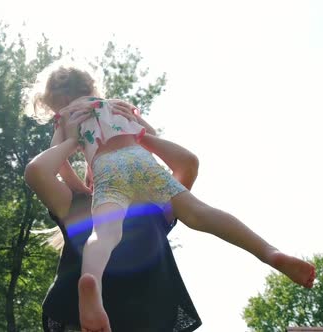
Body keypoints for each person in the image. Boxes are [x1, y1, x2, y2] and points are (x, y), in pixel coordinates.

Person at [28, 65, 316, 332]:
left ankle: (91, 288)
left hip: (108, 171)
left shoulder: (67, 117)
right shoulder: (116, 107)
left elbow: (57, 165)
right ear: (91, 86)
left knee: (104, 233)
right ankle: (270, 253)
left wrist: (79, 176)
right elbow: (156, 139)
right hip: (142, 160)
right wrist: (137, 131)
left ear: (56, 101)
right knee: (200, 212)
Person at [25, 102, 203, 331]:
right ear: (89, 178)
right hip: (83, 322)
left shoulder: (152, 207)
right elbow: (38, 171)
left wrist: (138, 129)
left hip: (149, 319)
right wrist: (69, 139)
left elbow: (187, 164)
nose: (113, 162)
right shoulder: (76, 207)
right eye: (99, 162)